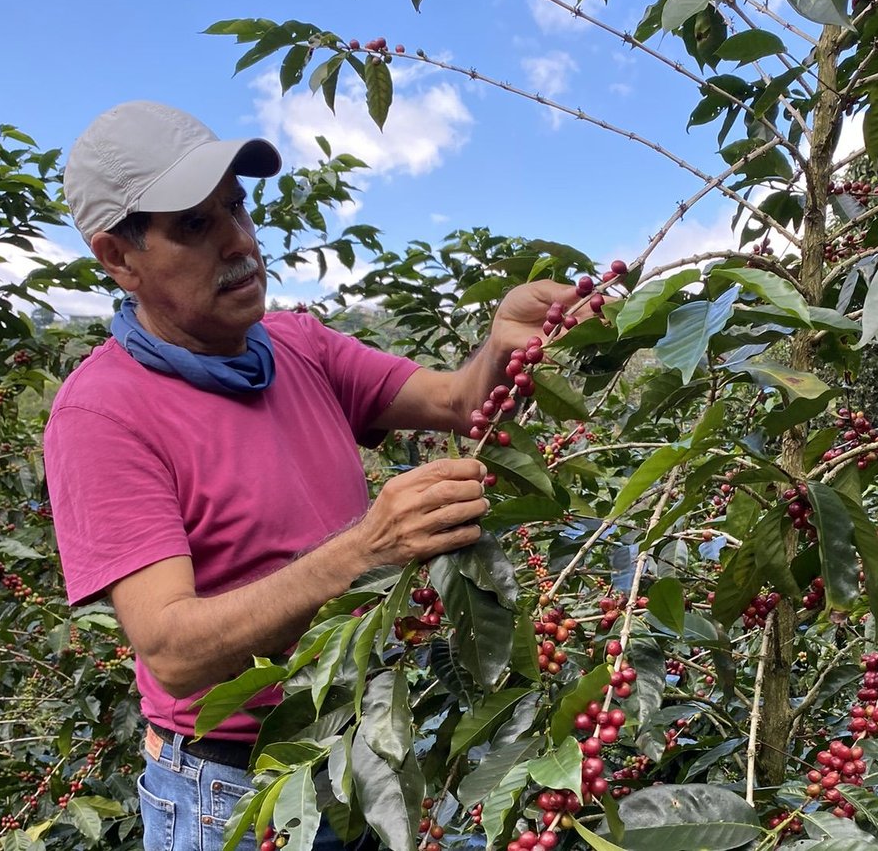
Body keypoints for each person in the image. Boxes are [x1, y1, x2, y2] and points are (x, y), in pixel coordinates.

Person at [43, 100, 577, 851]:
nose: (238, 241)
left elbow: (459, 401)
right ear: (118, 258)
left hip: (360, 748)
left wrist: (504, 340)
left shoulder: (297, 344)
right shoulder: (101, 414)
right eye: (194, 226)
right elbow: (173, 651)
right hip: (237, 788)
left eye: (236, 207)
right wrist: (365, 551)